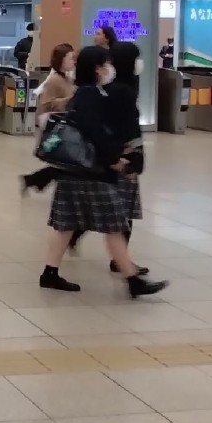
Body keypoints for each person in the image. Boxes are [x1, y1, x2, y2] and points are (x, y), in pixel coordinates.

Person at [38, 45, 166, 299]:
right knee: (114, 225)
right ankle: (132, 279)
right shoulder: (91, 95)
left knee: (67, 225)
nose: (110, 69)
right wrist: (114, 158)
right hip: (92, 171)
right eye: (106, 64)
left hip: (75, 170)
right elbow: (93, 131)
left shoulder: (85, 93)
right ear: (98, 68)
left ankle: (49, 273)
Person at [68, 42, 149, 275]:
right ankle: (124, 266)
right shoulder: (117, 91)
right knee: (118, 215)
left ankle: (120, 262)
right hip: (121, 157)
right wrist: (122, 154)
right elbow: (119, 126)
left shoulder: (111, 89)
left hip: (117, 155)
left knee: (113, 213)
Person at [22, 44, 76, 194]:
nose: (73, 61)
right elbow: (47, 103)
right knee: (64, 159)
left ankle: (33, 180)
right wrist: (70, 99)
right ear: (61, 60)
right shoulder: (54, 80)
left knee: (63, 160)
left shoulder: (67, 78)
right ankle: (35, 180)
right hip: (54, 127)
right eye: (71, 58)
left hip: (61, 125)